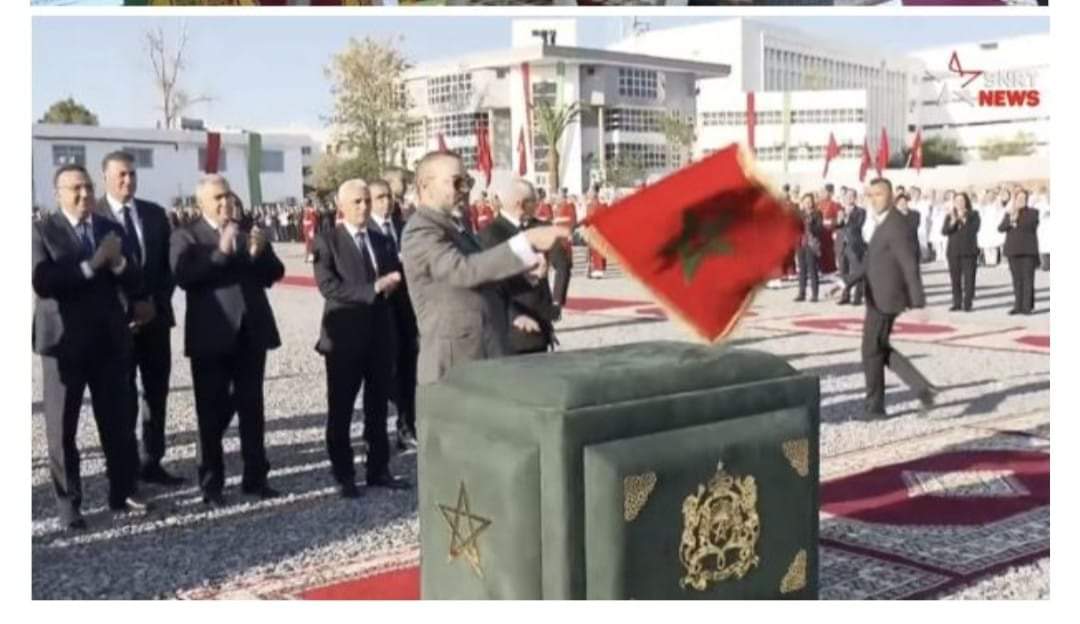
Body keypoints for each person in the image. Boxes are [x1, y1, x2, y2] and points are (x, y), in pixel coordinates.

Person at [33, 164, 149, 530]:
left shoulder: (109, 229)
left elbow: (136, 279)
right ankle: (69, 505)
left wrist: (118, 263)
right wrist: (92, 264)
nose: (84, 194)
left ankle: (123, 490)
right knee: (62, 429)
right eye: (75, 189)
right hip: (63, 343)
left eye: (88, 187)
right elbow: (44, 281)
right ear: (58, 194)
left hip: (108, 340)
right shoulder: (42, 230)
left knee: (117, 421)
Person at [399, 151, 569, 385]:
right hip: (455, 364)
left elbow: (481, 275)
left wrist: (523, 273)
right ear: (425, 186)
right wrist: (525, 242)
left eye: (468, 182)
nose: (465, 190)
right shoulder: (420, 230)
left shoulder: (457, 225)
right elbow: (461, 271)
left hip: (487, 350)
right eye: (457, 182)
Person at [171, 174, 285, 507]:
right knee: (211, 412)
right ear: (201, 203)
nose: (225, 203)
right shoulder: (186, 235)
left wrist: (260, 253)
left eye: (228, 196)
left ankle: (256, 478)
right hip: (212, 336)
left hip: (251, 332)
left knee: (252, 408)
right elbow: (185, 276)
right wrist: (220, 251)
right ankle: (211, 483)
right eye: (217, 198)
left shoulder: (248, 229)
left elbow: (274, 274)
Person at [312, 180, 409, 497]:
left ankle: (378, 468)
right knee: (341, 409)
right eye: (357, 202)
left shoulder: (381, 239)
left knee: (377, 406)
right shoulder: (328, 241)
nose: (364, 207)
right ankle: (344, 474)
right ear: (341, 206)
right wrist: (373, 289)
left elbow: (394, 277)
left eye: (367, 200)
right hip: (344, 338)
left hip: (379, 335)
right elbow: (329, 287)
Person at [94, 151, 184, 486]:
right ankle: (125, 466)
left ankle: (152, 460)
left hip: (155, 320)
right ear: (105, 177)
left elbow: (168, 267)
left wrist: (154, 304)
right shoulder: (94, 216)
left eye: (132, 174)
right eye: (121, 174)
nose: (128, 180)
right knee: (121, 396)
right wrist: (128, 310)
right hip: (116, 325)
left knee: (156, 394)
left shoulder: (154, 214)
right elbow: (98, 275)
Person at [831, 177, 936, 419]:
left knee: (870, 350)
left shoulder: (897, 224)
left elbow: (909, 263)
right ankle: (922, 389)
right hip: (877, 295)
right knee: (878, 347)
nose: (874, 199)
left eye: (879, 194)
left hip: (886, 298)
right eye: (871, 195)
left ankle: (875, 407)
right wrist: (845, 282)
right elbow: (870, 261)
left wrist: (918, 300)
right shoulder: (884, 222)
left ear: (891, 196)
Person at [477, 178, 559, 355]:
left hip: (539, 326)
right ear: (520, 204)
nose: (537, 206)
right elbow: (490, 287)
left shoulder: (533, 228)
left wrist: (549, 319)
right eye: (533, 202)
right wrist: (514, 315)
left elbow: (546, 275)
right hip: (516, 332)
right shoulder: (491, 235)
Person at [371, 178, 420, 451]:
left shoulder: (405, 227)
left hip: (406, 309)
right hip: (380, 310)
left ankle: (406, 426)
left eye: (388, 196)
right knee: (384, 374)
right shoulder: (365, 231)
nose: (386, 202)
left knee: (408, 369)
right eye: (379, 197)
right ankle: (376, 434)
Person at [999, 188, 1040, 315]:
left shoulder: (1033, 212)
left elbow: (1030, 226)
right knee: (1016, 280)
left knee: (1028, 279)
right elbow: (1001, 228)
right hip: (1013, 251)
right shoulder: (1010, 213)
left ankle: (1027, 307)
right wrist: (1011, 218)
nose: (1021, 200)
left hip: (1028, 251)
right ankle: (1018, 306)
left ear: (1027, 200)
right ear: (1015, 200)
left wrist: (1017, 218)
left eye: (1023, 198)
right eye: (1019, 198)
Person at [942, 191, 981, 312]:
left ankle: (968, 303)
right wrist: (953, 221)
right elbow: (944, 231)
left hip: (969, 251)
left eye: (962, 201)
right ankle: (957, 302)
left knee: (969, 279)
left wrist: (963, 219)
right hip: (953, 252)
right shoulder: (950, 216)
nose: (959, 203)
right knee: (955, 279)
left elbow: (974, 229)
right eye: (957, 201)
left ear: (966, 202)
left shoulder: (974, 214)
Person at [837, 187, 867, 306]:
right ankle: (845, 296)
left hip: (854, 244)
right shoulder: (841, 210)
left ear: (855, 198)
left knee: (857, 271)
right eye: (847, 196)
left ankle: (857, 297)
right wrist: (839, 220)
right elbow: (836, 226)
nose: (849, 198)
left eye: (852, 196)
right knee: (843, 271)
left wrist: (847, 218)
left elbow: (858, 225)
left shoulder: (861, 211)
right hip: (841, 244)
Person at [551, 190, 577, 311]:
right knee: (561, 269)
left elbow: (572, 221)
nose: (556, 199)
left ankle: (558, 298)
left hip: (563, 241)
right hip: (555, 240)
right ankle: (557, 298)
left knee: (563, 270)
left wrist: (569, 232)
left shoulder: (568, 207)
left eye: (558, 197)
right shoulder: (556, 208)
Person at [795, 193, 824, 303]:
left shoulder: (817, 214)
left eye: (809, 201)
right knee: (802, 269)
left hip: (811, 244)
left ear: (813, 202)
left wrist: (811, 225)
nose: (808, 203)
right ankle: (801, 293)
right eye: (806, 201)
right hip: (800, 243)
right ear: (803, 202)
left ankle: (814, 294)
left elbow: (819, 229)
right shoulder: (800, 214)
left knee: (812, 269)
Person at [585, 189, 607, 278]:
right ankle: (592, 269)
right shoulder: (590, 205)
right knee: (591, 251)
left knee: (597, 251)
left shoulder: (599, 205)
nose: (588, 195)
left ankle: (598, 270)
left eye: (589, 194)